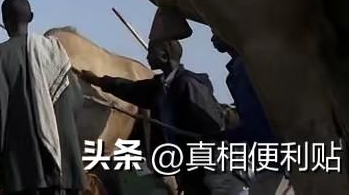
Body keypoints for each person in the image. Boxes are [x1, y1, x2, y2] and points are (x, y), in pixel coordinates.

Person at [79, 39, 242, 195]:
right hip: (187, 168)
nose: (147, 56)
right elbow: (131, 89)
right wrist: (99, 81)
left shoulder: (188, 84)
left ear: (164, 56)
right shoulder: (161, 86)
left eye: (151, 52)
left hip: (208, 167)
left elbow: (213, 126)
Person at [0, 0, 86, 195]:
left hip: (22, 174)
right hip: (61, 171)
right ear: (31, 17)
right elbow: (76, 102)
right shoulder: (54, 53)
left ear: (4, 22)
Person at [210, 35, 290, 195]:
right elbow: (252, 122)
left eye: (215, 31)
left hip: (280, 164)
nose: (213, 38)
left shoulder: (252, 68)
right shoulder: (235, 73)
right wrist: (225, 136)